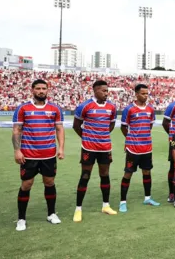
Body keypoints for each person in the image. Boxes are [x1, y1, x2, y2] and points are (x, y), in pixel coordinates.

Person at [12, 79, 65, 231]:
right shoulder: (23, 108)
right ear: (32, 90)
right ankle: (21, 218)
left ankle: (51, 214)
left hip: (48, 154)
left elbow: (59, 129)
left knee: (49, 183)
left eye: (44, 88)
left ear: (48, 90)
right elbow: (16, 131)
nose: (41, 91)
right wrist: (17, 150)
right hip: (28, 155)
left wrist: (61, 148)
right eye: (38, 88)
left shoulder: (55, 108)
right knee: (26, 184)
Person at [72, 80, 117, 223]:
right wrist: (88, 137)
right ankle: (78, 209)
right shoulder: (84, 106)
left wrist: (102, 136)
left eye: (107, 91)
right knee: (85, 176)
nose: (106, 93)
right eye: (103, 91)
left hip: (105, 147)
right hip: (89, 148)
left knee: (105, 174)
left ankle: (106, 205)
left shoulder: (111, 106)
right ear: (95, 90)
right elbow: (76, 125)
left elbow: (112, 124)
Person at [119, 84, 160, 212]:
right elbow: (123, 127)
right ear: (136, 94)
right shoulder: (129, 109)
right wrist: (132, 139)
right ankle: (122, 202)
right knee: (128, 173)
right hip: (133, 148)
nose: (146, 96)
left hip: (147, 147)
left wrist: (144, 137)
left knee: (147, 172)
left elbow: (150, 126)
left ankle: (147, 198)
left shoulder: (150, 109)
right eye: (143, 93)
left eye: (147, 93)